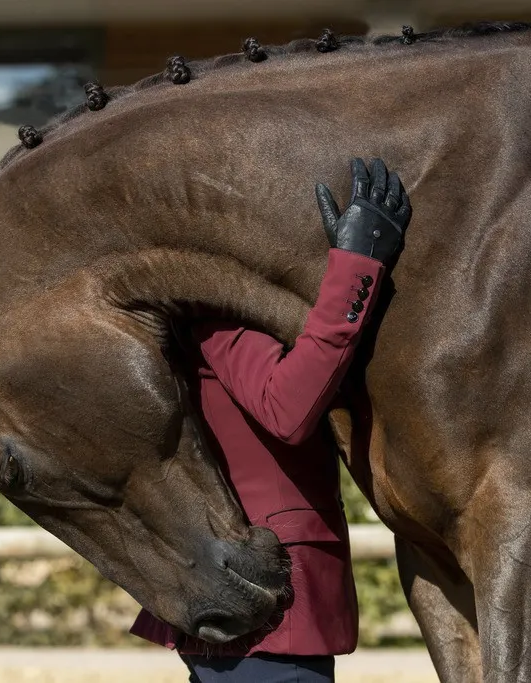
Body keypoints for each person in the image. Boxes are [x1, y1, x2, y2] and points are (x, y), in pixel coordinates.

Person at [131, 158, 413, 683]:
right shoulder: (211, 319)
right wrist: (355, 267)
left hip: (243, 604)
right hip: (272, 601)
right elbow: (287, 409)